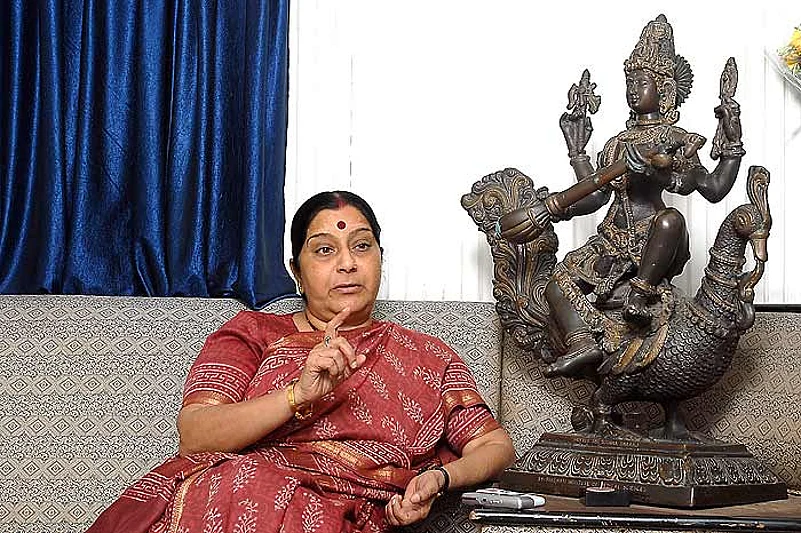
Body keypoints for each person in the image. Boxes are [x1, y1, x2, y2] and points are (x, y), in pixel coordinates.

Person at [87, 190, 516, 532]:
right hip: (238, 494)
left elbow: (494, 447)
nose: (347, 264)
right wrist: (296, 395)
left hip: (349, 516)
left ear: (381, 258)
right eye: (325, 250)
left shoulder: (428, 356)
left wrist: (440, 480)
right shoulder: (252, 333)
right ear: (297, 271)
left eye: (361, 246)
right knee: (253, 485)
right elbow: (197, 435)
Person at [502, 15, 745, 378]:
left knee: (672, 219)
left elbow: (713, 189)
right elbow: (596, 196)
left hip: (653, 240)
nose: (633, 90)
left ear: (664, 90)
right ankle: (582, 342)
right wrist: (577, 153)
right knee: (555, 286)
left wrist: (731, 145)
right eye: (629, 83)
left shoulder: (675, 138)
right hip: (610, 240)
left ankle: (641, 292)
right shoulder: (617, 143)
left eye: (642, 82)